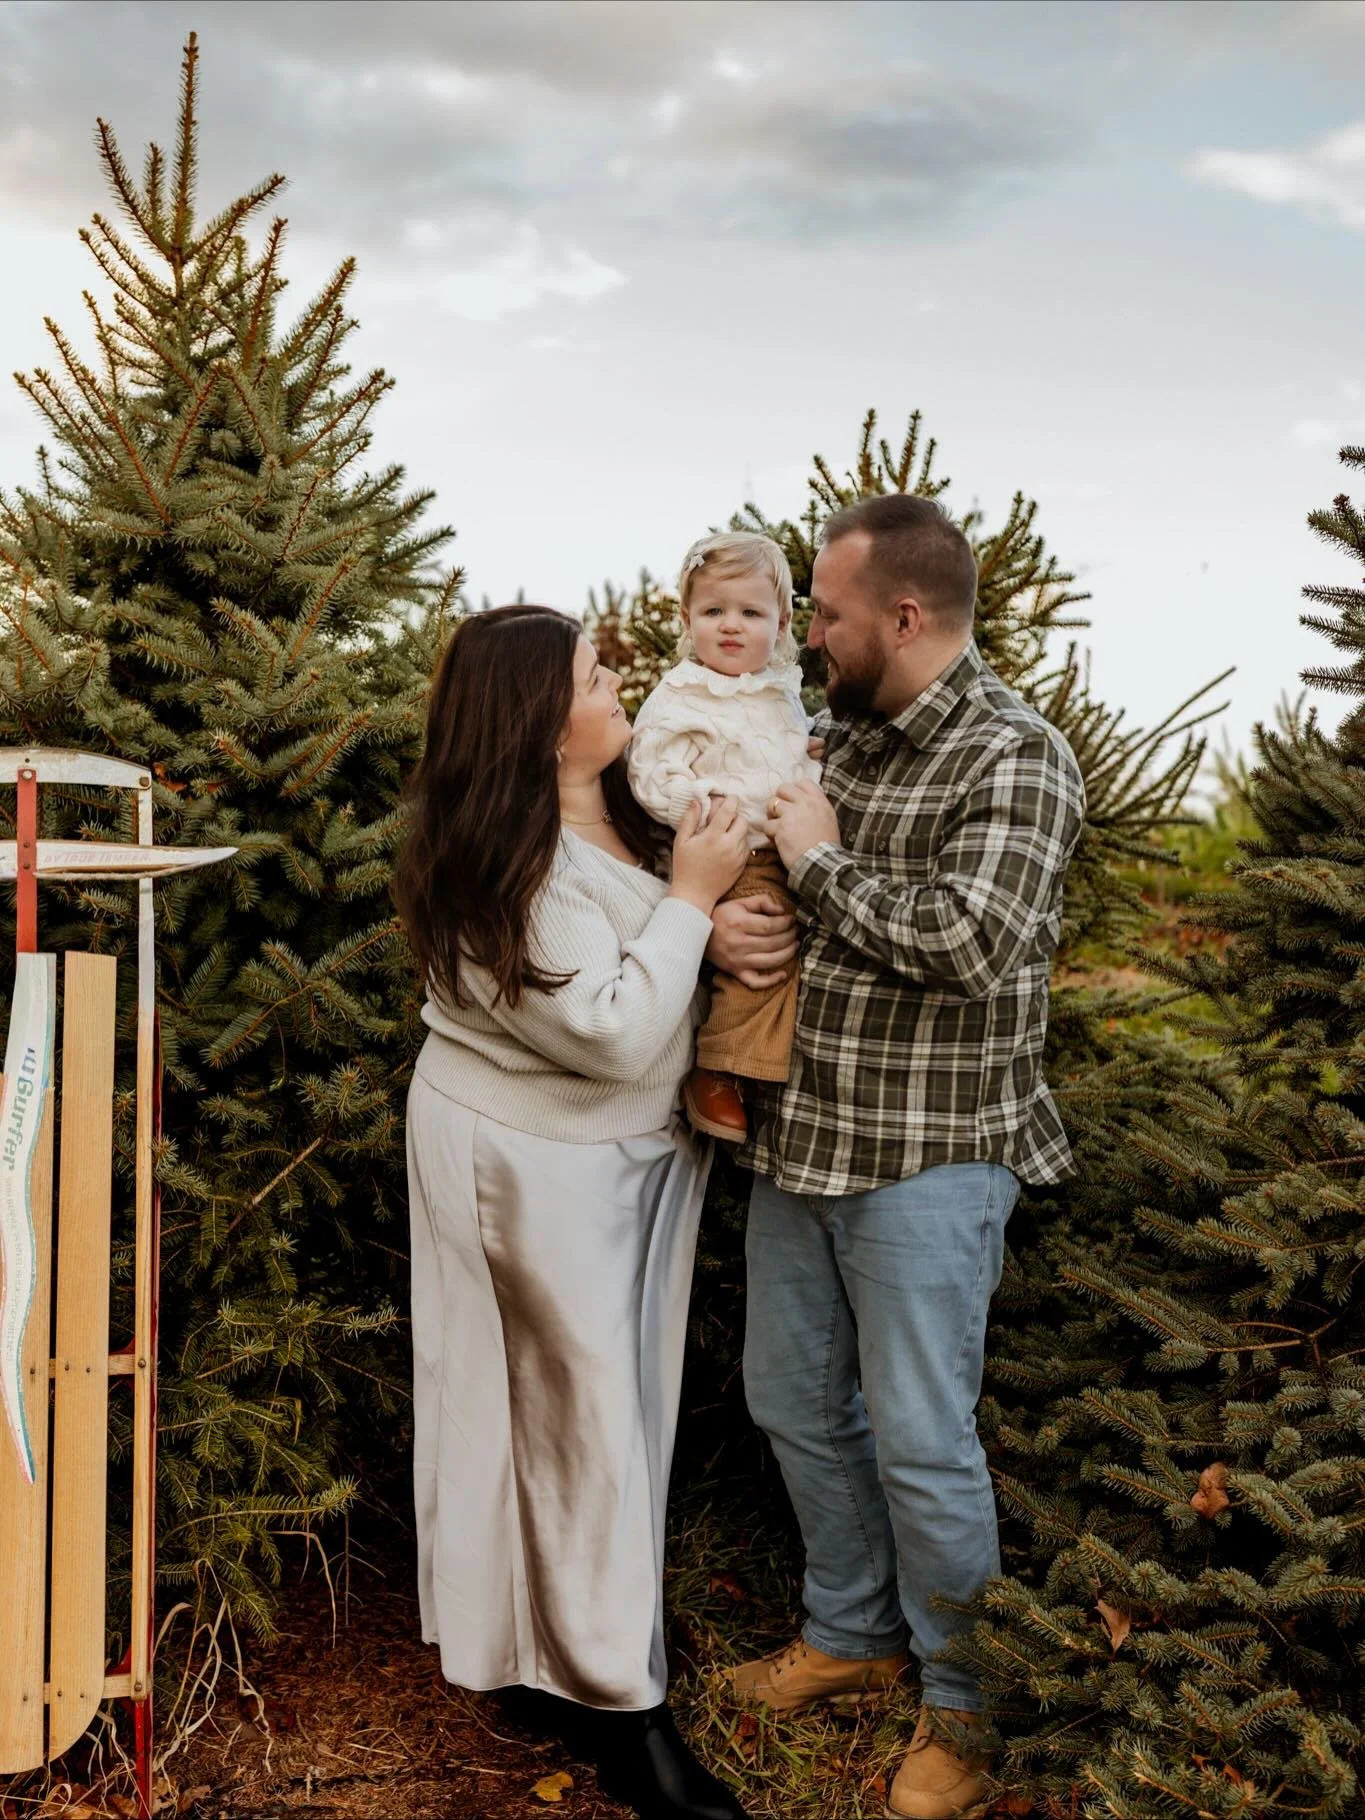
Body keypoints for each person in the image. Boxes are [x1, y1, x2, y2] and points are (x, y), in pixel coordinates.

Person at [719, 495, 1087, 1820]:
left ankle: (966, 1706)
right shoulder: (836, 733)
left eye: (824, 613)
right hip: (804, 1140)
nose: (807, 635)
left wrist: (819, 867)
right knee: (790, 1398)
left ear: (906, 615)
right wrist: (735, 924)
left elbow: (971, 941)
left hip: (931, 1159)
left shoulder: (1016, 755)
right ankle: (852, 1631)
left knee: (925, 1441)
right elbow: (760, 869)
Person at [392, 604, 754, 1820]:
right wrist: (693, 900)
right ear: (542, 726)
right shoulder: (513, 861)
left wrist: (715, 905)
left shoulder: (625, 805)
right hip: (527, 1161)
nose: (618, 686)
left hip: (622, 1158)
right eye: (597, 677)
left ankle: (548, 1651)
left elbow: (669, 938)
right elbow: (610, 1030)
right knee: (575, 1419)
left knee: (594, 1411)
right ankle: (622, 1707)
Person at [627, 531, 820, 1144]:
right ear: (688, 619)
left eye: (750, 613)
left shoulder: (781, 692)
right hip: (726, 846)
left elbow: (784, 751)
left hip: (781, 841)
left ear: (781, 623)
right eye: (714, 610)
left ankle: (757, 1065)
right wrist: (708, 806)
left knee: (796, 944)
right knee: (762, 944)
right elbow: (649, 772)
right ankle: (719, 1069)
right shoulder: (681, 694)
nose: (731, 625)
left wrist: (812, 758)